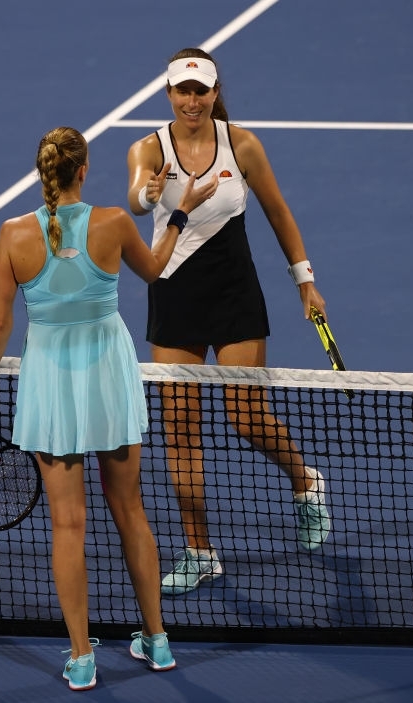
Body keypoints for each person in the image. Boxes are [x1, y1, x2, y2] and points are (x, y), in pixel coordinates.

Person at [0, 126, 218, 691]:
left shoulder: (12, 235)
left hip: (51, 387)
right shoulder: (112, 223)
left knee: (68, 525)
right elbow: (157, 270)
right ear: (83, 171)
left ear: (43, 174)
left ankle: (82, 657)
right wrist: (178, 211)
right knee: (130, 510)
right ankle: (157, 642)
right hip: (108, 376)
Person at [126, 48, 333, 596]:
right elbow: (137, 196)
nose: (191, 101)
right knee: (181, 433)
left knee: (245, 417)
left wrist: (305, 280)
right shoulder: (147, 149)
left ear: (215, 93)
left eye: (201, 91)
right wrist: (149, 193)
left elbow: (278, 211)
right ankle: (199, 551)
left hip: (235, 295)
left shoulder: (241, 145)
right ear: (168, 93)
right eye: (182, 91)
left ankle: (305, 482)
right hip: (173, 297)